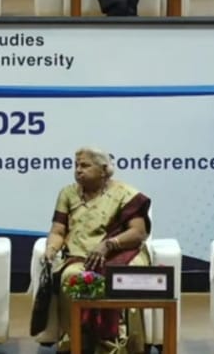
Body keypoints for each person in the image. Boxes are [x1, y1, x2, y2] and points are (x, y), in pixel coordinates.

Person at [39, 147, 151, 354]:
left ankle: (123, 345)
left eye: (85, 165)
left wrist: (108, 245)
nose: (78, 170)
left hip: (121, 254)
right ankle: (77, 342)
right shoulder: (67, 193)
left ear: (104, 170)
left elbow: (138, 232)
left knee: (125, 277)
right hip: (79, 257)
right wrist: (51, 248)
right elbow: (58, 230)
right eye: (76, 165)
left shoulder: (126, 194)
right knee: (71, 277)